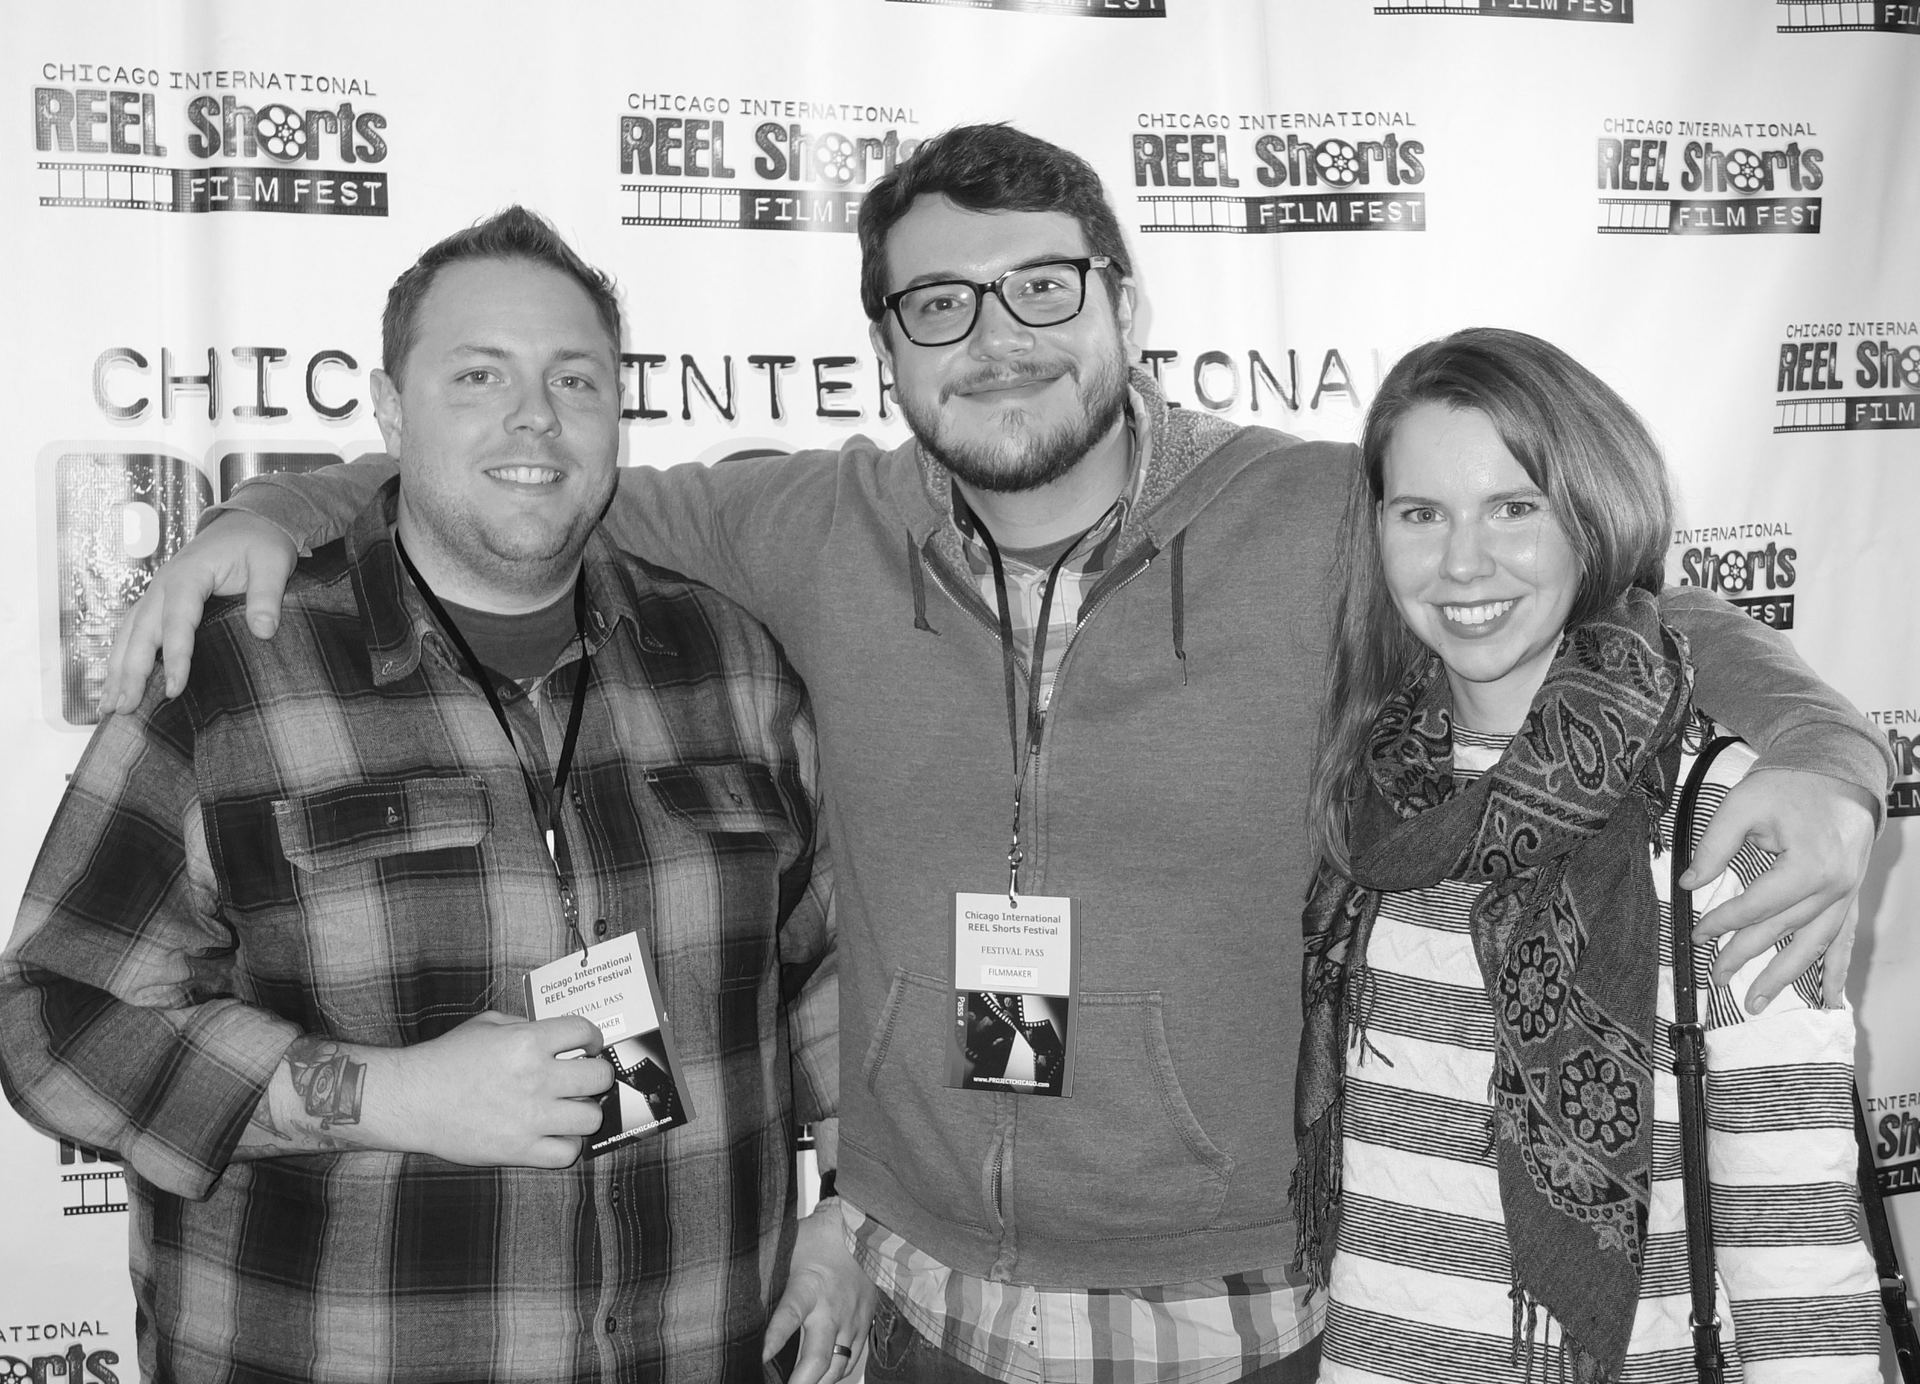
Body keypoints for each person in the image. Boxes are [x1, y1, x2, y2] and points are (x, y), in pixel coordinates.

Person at [96, 127, 1886, 1382]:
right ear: (885, 347)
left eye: (1043, 286)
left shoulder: (1311, 515)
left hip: (1243, 1305)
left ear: (1123, 301)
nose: (997, 336)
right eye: (938, 305)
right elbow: (530, 478)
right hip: (918, 1297)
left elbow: (1595, 586)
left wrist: (1820, 748)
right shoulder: (810, 526)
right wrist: (285, 499)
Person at [0, 208, 873, 1384]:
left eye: (576, 377)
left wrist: (856, 1202)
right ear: (389, 409)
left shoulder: (732, 662)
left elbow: (822, 969)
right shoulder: (229, 674)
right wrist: (382, 1094)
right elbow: (52, 1017)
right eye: (479, 375)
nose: (535, 415)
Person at [1292, 328, 1882, 1382]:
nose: (1464, 561)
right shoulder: (1373, 795)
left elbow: (1794, 1242)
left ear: (1593, 520)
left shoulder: (1721, 822)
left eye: (1515, 507)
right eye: (1421, 513)